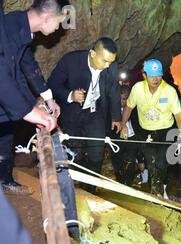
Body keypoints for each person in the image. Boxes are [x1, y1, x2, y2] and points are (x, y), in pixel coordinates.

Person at [0, 0, 67, 195]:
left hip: (5, 103)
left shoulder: (21, 31)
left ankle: (5, 179)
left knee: (5, 138)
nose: (58, 28)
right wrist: (29, 111)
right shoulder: (6, 29)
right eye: (59, 22)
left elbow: (23, 70)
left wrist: (45, 101)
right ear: (47, 18)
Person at [48, 37, 122, 193]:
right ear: (93, 53)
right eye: (105, 61)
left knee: (97, 154)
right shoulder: (71, 61)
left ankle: (90, 189)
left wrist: (116, 117)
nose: (108, 66)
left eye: (111, 62)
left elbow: (114, 91)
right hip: (72, 115)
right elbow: (52, 84)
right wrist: (70, 95)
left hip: (96, 114)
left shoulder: (111, 66)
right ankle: (76, 188)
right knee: (76, 152)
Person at [120, 59, 181, 197]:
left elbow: (178, 114)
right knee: (151, 164)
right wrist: (123, 125)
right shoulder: (137, 88)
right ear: (145, 75)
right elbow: (129, 107)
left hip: (166, 132)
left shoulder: (169, 91)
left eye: (158, 75)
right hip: (146, 132)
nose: (156, 79)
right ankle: (156, 193)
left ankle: (158, 188)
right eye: (152, 75)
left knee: (162, 164)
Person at [110, 85, 139, 185]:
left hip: (132, 139)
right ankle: (121, 182)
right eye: (122, 99)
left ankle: (127, 184)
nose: (124, 101)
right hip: (117, 140)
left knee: (130, 161)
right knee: (117, 163)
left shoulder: (136, 109)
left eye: (127, 99)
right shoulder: (112, 110)